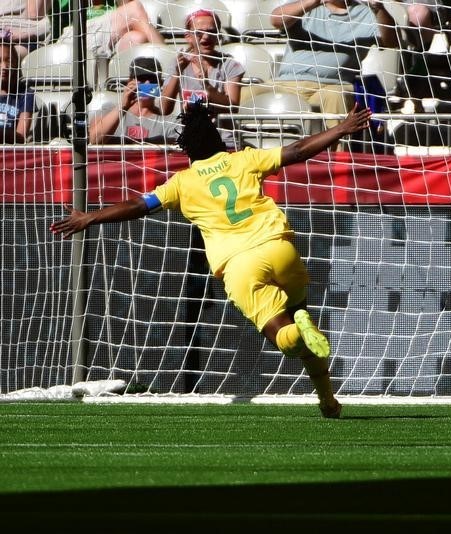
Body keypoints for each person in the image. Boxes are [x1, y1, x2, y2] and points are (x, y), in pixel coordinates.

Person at [51, 101, 373, 417]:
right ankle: (328, 401)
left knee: (285, 338)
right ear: (218, 139)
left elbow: (138, 205)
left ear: (187, 150)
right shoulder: (244, 160)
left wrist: (90, 218)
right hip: (279, 247)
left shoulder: (181, 183)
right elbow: (298, 150)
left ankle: (298, 334)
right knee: (298, 312)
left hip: (240, 265)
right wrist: (342, 128)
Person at [269, 0, 398, 130]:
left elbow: (391, 42)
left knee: (335, 96)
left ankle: (337, 150)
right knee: (248, 92)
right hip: (285, 84)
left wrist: (378, 8)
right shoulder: (304, 6)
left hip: (332, 85)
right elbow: (276, 20)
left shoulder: (366, 13)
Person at [160, 9, 243, 148]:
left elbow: (232, 106)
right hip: (191, 141)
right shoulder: (177, 63)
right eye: (199, 33)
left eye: (211, 32)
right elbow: (164, 109)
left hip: (223, 142)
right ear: (188, 37)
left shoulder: (230, 64)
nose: (206, 37)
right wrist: (178, 73)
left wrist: (207, 86)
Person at [88, 56, 177, 144]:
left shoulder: (168, 121)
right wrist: (123, 106)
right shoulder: (109, 110)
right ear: (130, 81)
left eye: (152, 79)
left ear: (160, 83)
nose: (147, 83)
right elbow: (94, 140)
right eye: (142, 79)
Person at [56, 0, 165, 57]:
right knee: (135, 8)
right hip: (74, 38)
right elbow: (38, 13)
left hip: (109, 40)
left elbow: (126, 5)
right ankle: (170, 63)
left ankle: (122, 92)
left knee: (137, 38)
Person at [0, 40, 33, 142]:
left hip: (11, 153)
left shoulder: (26, 94)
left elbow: (21, 136)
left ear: (16, 63)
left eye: (9, 61)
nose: (4, 67)